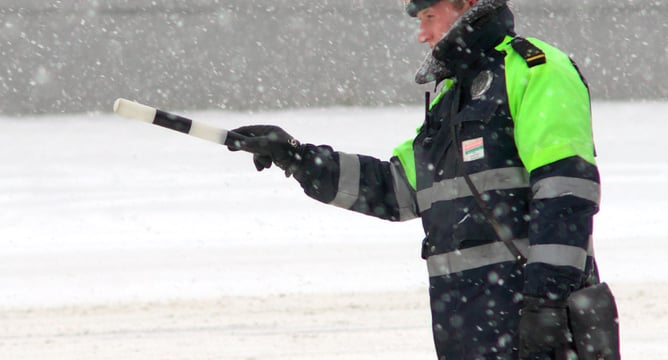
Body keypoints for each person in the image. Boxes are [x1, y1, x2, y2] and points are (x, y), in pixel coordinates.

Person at [229, 0, 620, 359]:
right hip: (468, 330)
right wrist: (297, 157)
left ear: (468, 5)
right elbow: (395, 190)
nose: (422, 33)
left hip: (532, 322)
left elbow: (565, 191)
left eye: (429, 16)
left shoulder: (537, 70)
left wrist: (547, 303)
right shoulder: (451, 96)